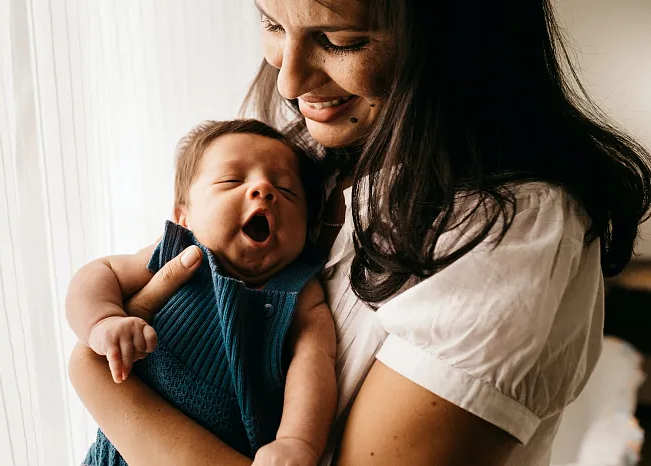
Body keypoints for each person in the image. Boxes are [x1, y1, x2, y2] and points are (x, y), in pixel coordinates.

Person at [67, 0, 651, 464]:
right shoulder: (311, 157)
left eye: (341, 40)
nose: (289, 81)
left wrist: (99, 381)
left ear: (455, 39)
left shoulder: (508, 233)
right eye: (272, 23)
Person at [66, 120, 336, 465]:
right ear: (184, 217)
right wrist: (103, 321)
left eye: (287, 190)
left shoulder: (300, 291)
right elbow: (98, 273)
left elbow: (314, 363)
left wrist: (296, 441)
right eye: (232, 180)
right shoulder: (176, 253)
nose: (264, 189)